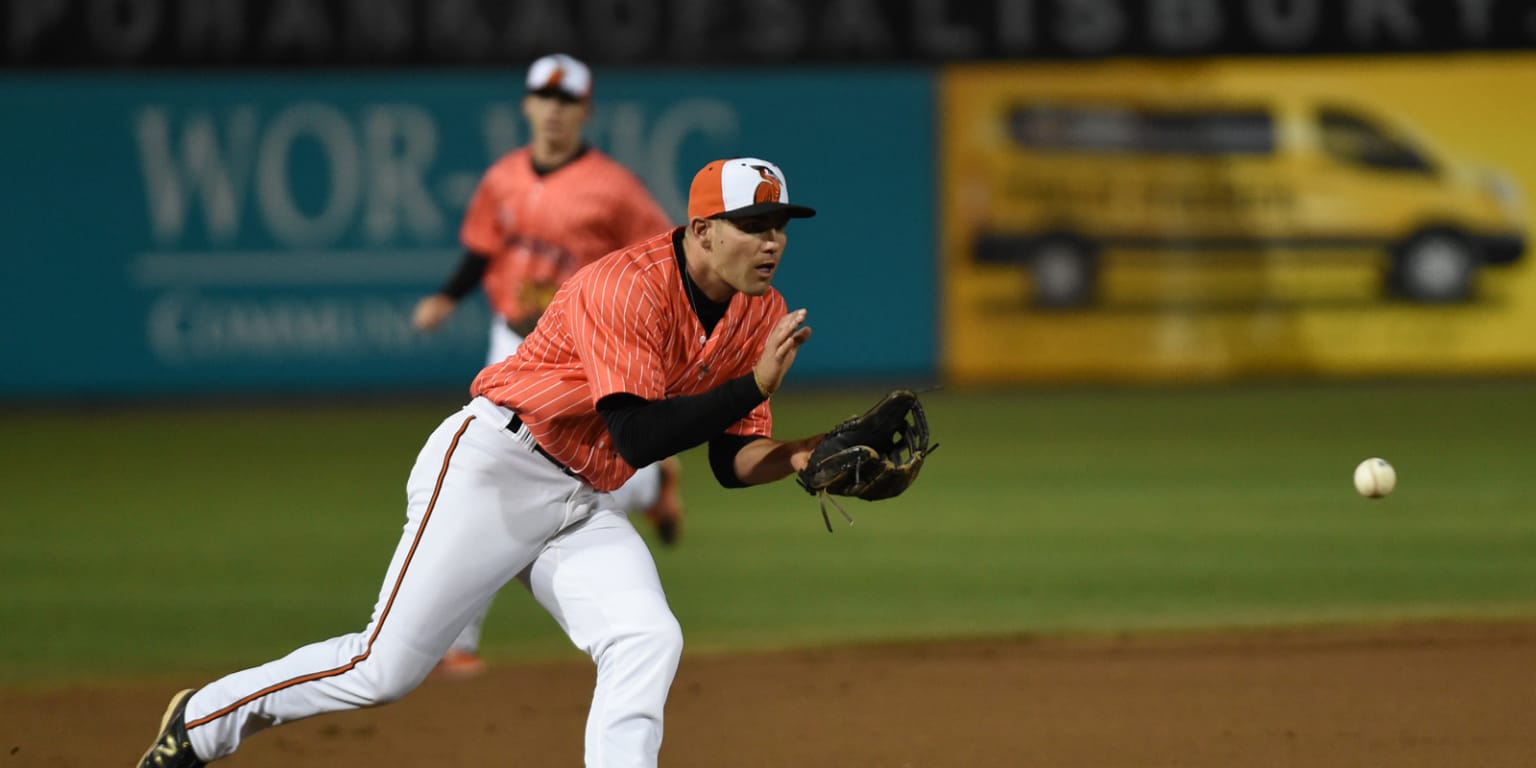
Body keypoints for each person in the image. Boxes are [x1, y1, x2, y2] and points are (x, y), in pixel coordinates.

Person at [136, 156, 823, 768]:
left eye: (779, 226)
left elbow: (731, 459)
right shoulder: (626, 286)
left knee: (645, 636)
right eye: (753, 224)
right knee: (381, 669)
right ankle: (201, 723)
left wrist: (801, 455)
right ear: (703, 231)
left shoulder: (762, 316)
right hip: (496, 467)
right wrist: (753, 386)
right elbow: (639, 437)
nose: (772, 242)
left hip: (580, 499)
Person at [411, 53, 683, 679]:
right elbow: (481, 250)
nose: (555, 110)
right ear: (527, 104)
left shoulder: (613, 187)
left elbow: (665, 258)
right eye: (545, 97)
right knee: (478, 475)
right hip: (509, 343)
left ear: (585, 110)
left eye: (568, 101)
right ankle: (458, 639)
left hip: (579, 354)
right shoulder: (503, 178)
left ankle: (652, 482)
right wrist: (447, 298)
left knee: (588, 474)